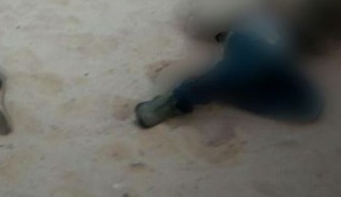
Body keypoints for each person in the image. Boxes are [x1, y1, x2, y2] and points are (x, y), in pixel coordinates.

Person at [135, 8, 323, 129]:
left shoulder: (257, 23)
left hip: (265, 52)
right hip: (260, 49)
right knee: (235, 75)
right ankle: (174, 101)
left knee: (233, 77)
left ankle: (175, 100)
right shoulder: (249, 23)